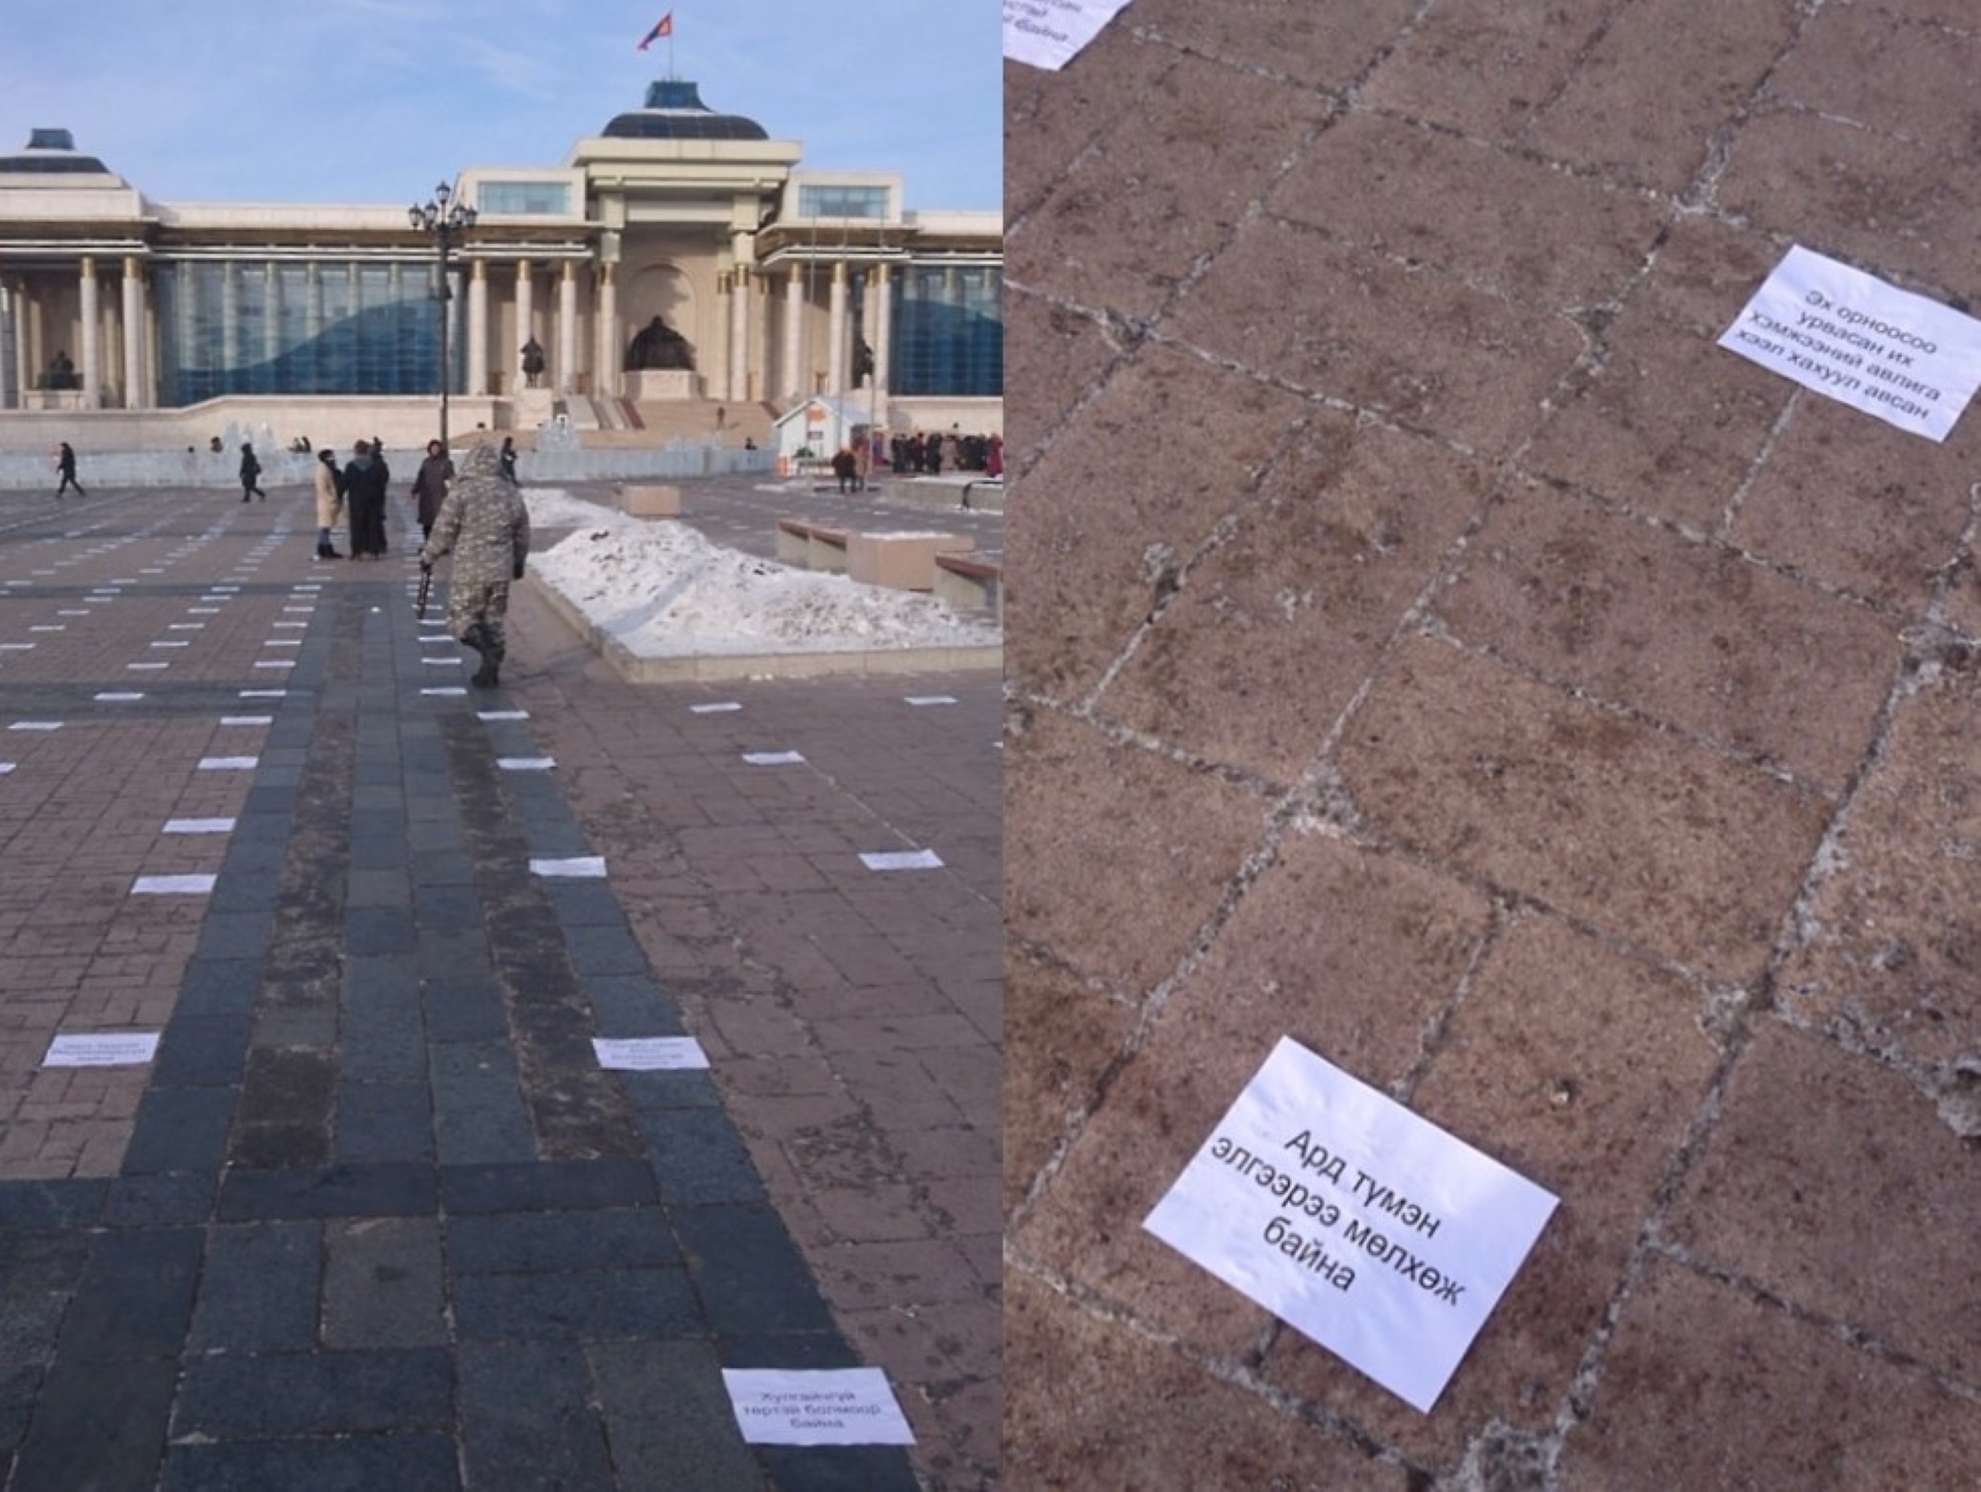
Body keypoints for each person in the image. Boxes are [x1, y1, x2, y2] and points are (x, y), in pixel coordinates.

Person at [418, 443, 530, 688]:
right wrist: (518, 561)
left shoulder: (462, 492)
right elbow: (522, 532)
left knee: (462, 618)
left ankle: (485, 652)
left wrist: (428, 556)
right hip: (501, 568)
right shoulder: (510, 492)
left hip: (470, 568)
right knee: (493, 619)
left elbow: (444, 529)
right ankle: (490, 671)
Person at [342, 440, 390, 559]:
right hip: (373, 500)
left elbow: (344, 483)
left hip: (356, 501)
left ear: (356, 451)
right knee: (373, 526)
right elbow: (382, 481)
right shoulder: (375, 465)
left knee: (356, 527)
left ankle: (356, 551)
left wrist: (338, 494)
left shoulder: (351, 466)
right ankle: (374, 551)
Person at [410, 439, 454, 542]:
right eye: (433, 448)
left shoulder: (446, 463)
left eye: (436, 448)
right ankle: (428, 543)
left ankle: (441, 544)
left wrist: (451, 493)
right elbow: (420, 477)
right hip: (427, 497)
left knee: (441, 522)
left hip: (440, 496)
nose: (434, 450)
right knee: (427, 522)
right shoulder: (426, 463)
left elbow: (451, 479)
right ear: (429, 449)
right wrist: (415, 490)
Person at [312, 449, 346, 559]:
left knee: (326, 527)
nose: (333, 458)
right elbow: (322, 488)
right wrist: (332, 498)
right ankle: (324, 549)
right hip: (326, 503)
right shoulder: (322, 470)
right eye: (331, 456)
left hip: (327, 503)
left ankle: (324, 548)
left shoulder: (328, 468)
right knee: (325, 527)